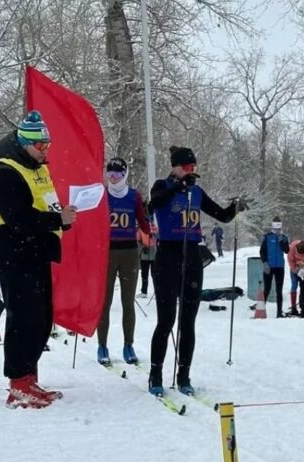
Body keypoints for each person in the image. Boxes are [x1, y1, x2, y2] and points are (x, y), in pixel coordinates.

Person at [0, 110, 77, 408]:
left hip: (37, 250)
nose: (45, 151)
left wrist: (62, 218)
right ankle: (17, 383)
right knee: (23, 317)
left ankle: (28, 378)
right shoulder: (5, 170)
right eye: (40, 146)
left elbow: (44, 204)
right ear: (24, 143)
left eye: (48, 145)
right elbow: (17, 217)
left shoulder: (36, 167)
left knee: (42, 318)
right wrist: (55, 218)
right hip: (15, 252)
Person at [147, 145, 237, 396]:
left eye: (194, 168)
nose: (191, 172)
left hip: (192, 256)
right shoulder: (162, 186)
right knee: (166, 320)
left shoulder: (196, 192)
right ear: (175, 167)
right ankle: (155, 374)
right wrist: (178, 186)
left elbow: (222, 215)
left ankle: (184, 375)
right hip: (168, 255)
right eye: (186, 167)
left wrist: (235, 208)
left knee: (188, 321)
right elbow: (152, 205)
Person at [97, 157, 151, 365]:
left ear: (125, 175)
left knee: (128, 302)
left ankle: (129, 345)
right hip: (107, 252)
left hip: (129, 252)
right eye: (110, 174)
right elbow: (93, 220)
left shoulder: (133, 196)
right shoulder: (102, 195)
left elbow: (143, 223)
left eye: (118, 174)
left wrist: (149, 218)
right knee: (105, 302)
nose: (113, 178)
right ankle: (102, 345)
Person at [260, 216, 290, 318]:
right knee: (267, 289)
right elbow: (262, 251)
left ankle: (279, 312)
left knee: (279, 290)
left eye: (279, 227)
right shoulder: (267, 237)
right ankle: (261, 310)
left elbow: (287, 250)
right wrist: (264, 263)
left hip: (279, 267)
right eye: (276, 227)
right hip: (269, 266)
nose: (277, 230)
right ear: (272, 227)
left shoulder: (284, 237)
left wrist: (281, 240)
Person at [138, 213, 156, 298]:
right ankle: (144, 291)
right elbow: (138, 240)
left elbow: (159, 239)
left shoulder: (155, 228)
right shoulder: (141, 229)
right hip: (145, 254)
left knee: (155, 274)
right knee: (144, 273)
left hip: (154, 254)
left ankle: (157, 291)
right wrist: (142, 247)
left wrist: (154, 236)